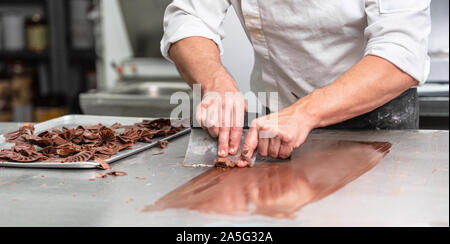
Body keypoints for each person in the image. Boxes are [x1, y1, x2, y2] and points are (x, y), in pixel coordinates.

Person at [160, 0, 431, 167]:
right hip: (276, 130)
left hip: (376, 132)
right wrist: (215, 80)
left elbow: (401, 50)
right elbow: (189, 17)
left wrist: (306, 113)